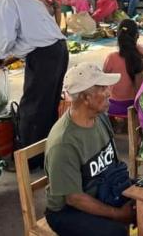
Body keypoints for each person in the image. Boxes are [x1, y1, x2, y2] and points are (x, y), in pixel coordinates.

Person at [0, 0, 69, 166]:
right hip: (58, 49)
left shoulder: (2, 0)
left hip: (45, 55)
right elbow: (28, 35)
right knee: (47, 105)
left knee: (32, 108)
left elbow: (5, 40)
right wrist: (8, 56)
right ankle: (46, 153)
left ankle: (29, 160)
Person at [43, 63, 134, 236]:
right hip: (68, 210)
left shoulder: (100, 117)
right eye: (102, 88)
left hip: (103, 189)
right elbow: (74, 198)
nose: (109, 92)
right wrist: (118, 214)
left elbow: (113, 166)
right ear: (85, 98)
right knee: (115, 233)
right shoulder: (63, 143)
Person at [103, 20, 143, 117]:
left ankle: (115, 123)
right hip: (136, 106)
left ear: (118, 36)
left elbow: (102, 81)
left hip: (114, 106)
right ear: (137, 36)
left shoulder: (111, 58)